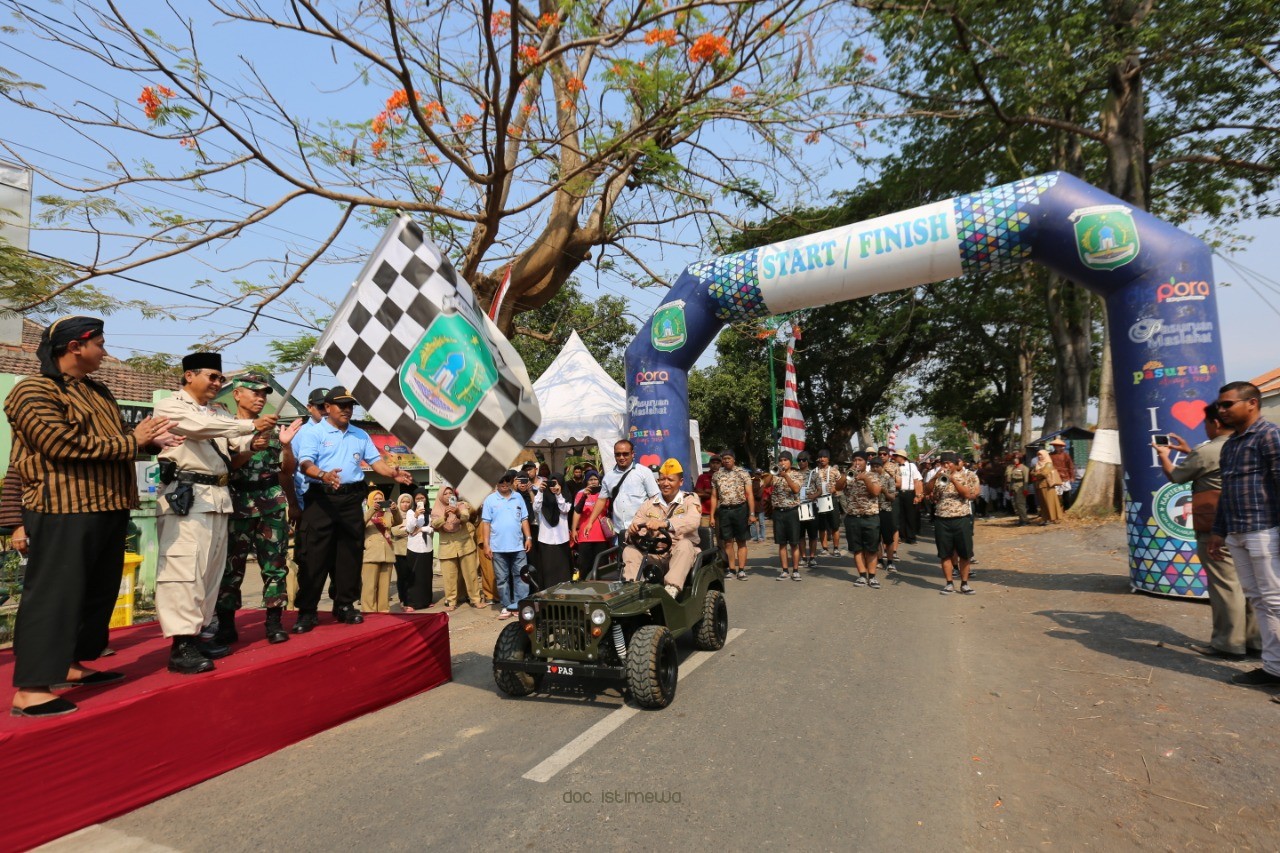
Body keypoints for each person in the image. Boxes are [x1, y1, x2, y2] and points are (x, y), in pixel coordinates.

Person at [4, 316, 176, 717]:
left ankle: (69, 664)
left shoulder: (96, 390)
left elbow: (114, 444)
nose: (104, 351)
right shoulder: (33, 390)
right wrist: (134, 440)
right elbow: (59, 443)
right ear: (74, 346)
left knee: (96, 592)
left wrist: (151, 443)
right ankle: (31, 689)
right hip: (62, 506)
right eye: (99, 343)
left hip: (109, 504)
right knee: (55, 595)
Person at [294, 387, 413, 632]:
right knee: (314, 556)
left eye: (350, 406)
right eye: (342, 405)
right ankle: (307, 611)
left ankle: (345, 605)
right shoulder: (314, 432)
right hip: (321, 498)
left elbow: (376, 462)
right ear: (327, 407)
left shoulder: (360, 434)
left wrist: (392, 473)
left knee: (349, 554)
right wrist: (324, 475)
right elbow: (305, 463)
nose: (347, 410)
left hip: (350, 499)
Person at [1156, 407, 1259, 659]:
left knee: (1225, 586)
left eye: (1206, 423)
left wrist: (1164, 455)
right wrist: (1190, 452)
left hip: (1216, 527)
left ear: (1216, 422)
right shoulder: (1248, 446)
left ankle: (1229, 644)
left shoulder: (1207, 451)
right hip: (1252, 524)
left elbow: (1176, 476)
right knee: (1253, 585)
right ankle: (1257, 641)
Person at [217, 372, 302, 647]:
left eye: (264, 393)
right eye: (255, 392)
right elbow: (226, 467)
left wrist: (287, 447)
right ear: (237, 394)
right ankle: (226, 624)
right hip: (236, 504)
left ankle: (274, 622)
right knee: (231, 568)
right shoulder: (225, 427)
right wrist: (251, 448)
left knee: (275, 565)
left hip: (270, 503)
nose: (261, 398)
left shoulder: (275, 430)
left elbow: (287, 471)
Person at [1206, 381, 1280, 688]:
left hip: (1265, 531)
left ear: (1252, 403)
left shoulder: (1269, 435)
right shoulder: (1231, 444)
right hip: (1237, 533)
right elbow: (1227, 492)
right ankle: (1273, 668)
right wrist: (1218, 532)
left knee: (1275, 601)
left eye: (1228, 404)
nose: (1221, 410)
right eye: (1220, 406)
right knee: (1258, 600)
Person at [621, 459, 702, 597]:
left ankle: (671, 589)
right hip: (655, 553)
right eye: (662, 479)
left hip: (680, 554)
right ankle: (634, 590)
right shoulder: (649, 503)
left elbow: (693, 521)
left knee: (685, 544)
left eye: (670, 479)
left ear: (680, 482)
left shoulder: (690, 499)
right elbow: (636, 524)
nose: (665, 483)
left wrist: (666, 524)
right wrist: (633, 532)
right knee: (630, 550)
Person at [286, 388, 329, 609]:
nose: (326, 410)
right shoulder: (301, 434)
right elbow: (288, 471)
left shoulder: (343, 431)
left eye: (329, 405)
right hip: (308, 503)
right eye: (321, 406)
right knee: (308, 559)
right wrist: (293, 504)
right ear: (309, 407)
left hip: (335, 503)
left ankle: (341, 605)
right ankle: (306, 608)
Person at [481, 469, 532, 619]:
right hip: (498, 547)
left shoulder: (518, 497)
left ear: (511, 482)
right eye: (501, 481)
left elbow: (524, 519)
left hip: (518, 546)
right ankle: (506, 606)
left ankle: (519, 605)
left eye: (507, 481)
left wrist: (528, 538)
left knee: (521, 577)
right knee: (502, 579)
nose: (504, 484)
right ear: (496, 483)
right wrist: (486, 545)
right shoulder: (490, 500)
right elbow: (486, 524)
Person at [930, 451, 980, 595]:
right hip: (942, 518)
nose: (945, 466)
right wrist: (935, 478)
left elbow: (968, 495)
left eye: (948, 463)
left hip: (961, 518)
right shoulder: (941, 478)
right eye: (943, 463)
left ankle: (964, 584)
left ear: (955, 463)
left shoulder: (967, 476)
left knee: (964, 553)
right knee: (945, 554)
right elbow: (931, 494)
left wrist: (953, 480)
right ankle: (949, 583)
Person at [432, 485, 481, 610]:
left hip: (465, 545)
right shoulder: (436, 510)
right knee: (449, 577)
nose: (448, 496)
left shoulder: (460, 505)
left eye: (450, 493)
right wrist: (444, 516)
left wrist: (457, 513)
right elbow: (434, 524)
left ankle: (476, 599)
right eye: (445, 494)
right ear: (440, 496)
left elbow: (466, 517)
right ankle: (451, 602)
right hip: (447, 547)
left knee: (471, 574)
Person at [710, 448, 756, 580]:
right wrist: (712, 516)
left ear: (734, 459)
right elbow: (714, 496)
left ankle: (741, 570)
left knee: (741, 541)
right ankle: (731, 569)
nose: (726, 461)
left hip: (740, 509)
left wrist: (752, 513)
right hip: (724, 511)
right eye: (724, 459)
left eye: (728, 458)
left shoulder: (743, 473)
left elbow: (749, 494)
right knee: (728, 542)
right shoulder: (717, 475)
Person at [600, 439, 660, 539]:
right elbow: (601, 500)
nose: (621, 457)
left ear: (632, 454)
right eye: (618, 454)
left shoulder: (644, 472)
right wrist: (590, 522)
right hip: (619, 531)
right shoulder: (608, 476)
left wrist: (654, 521)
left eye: (625, 454)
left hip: (641, 530)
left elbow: (655, 499)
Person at [840, 452, 883, 588]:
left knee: (872, 549)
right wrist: (847, 473)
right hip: (853, 517)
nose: (857, 463)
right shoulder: (849, 475)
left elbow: (875, 492)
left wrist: (865, 479)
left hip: (870, 517)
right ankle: (862, 575)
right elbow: (837, 487)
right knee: (857, 549)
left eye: (860, 460)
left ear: (866, 462)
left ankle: (872, 576)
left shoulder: (873, 476)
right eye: (854, 460)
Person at [360, 490, 400, 613]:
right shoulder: (365, 514)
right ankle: (368, 611)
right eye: (375, 499)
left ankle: (383, 611)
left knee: (384, 587)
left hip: (387, 553)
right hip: (371, 554)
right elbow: (359, 524)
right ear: (370, 500)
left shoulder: (387, 514)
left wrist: (395, 510)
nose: (378, 501)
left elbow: (398, 521)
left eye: (380, 498)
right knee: (369, 586)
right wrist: (372, 510)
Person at [572, 470, 613, 580]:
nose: (593, 482)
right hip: (585, 536)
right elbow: (577, 511)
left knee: (602, 567)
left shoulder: (604, 494)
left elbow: (610, 510)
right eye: (590, 480)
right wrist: (574, 529)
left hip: (602, 536)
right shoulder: (580, 493)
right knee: (584, 566)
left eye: (595, 479)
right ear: (586, 481)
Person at [534, 475, 573, 587]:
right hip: (546, 539)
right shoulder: (542, 496)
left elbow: (565, 509)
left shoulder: (565, 495)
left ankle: (564, 591)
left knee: (563, 570)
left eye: (556, 483)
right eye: (551, 483)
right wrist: (540, 492)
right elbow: (536, 508)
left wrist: (558, 494)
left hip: (562, 539)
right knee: (548, 570)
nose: (553, 486)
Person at [770, 452, 804, 581]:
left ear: (790, 462)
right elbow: (765, 484)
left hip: (792, 511)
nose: (782, 462)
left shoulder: (797, 475)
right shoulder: (775, 475)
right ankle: (784, 571)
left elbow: (796, 489)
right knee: (782, 543)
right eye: (780, 460)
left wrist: (785, 476)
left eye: (785, 460)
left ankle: (795, 571)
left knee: (794, 543)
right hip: (778, 512)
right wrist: (772, 473)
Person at [811, 449, 846, 557]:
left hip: (832, 499)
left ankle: (836, 548)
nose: (822, 459)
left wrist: (835, 489)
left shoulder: (834, 471)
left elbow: (842, 484)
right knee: (822, 527)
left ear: (828, 459)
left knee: (835, 526)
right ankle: (824, 548)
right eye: (820, 457)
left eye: (824, 457)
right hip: (819, 500)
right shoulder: (814, 471)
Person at [871, 455, 899, 572]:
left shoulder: (889, 478)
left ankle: (890, 562)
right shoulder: (869, 478)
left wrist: (884, 491)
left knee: (888, 539)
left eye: (877, 466)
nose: (874, 469)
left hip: (885, 510)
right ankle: (880, 560)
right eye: (872, 466)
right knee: (876, 538)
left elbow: (892, 497)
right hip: (872, 511)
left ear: (882, 466)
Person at [893, 450, 923, 544]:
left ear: (902, 457)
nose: (895, 457)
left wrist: (918, 495)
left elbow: (917, 481)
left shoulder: (911, 466)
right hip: (898, 493)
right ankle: (902, 536)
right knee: (900, 516)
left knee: (910, 516)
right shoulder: (895, 466)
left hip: (909, 493)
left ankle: (911, 537)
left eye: (897, 456)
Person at [796, 451, 820, 567]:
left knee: (813, 534)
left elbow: (820, 490)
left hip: (811, 506)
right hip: (798, 506)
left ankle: (812, 557)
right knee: (800, 534)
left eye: (803, 460)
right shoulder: (794, 474)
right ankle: (803, 557)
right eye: (799, 460)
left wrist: (813, 496)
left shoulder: (814, 474)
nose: (801, 462)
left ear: (808, 461)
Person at [393, 493, 416, 606]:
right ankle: (403, 599)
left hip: (413, 550)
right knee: (402, 576)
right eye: (403, 502)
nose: (405, 504)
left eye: (408, 502)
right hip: (399, 551)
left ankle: (412, 599)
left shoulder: (414, 514)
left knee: (412, 576)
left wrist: (405, 528)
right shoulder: (394, 515)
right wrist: (409, 529)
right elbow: (395, 531)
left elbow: (418, 528)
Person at [1031, 449, 1064, 525]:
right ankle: (1045, 518)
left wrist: (1036, 473)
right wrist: (1037, 473)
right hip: (1039, 486)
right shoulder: (1037, 464)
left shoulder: (1048, 464)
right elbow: (1032, 472)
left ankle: (1053, 518)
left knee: (1050, 502)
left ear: (1045, 455)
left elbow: (1044, 473)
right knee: (1042, 503)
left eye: (1041, 455)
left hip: (1047, 486)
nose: (1039, 456)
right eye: (1038, 455)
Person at [1005, 453, 1031, 525]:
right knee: (1016, 504)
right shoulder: (1012, 467)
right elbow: (1010, 479)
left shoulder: (1024, 468)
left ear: (1020, 459)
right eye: (1014, 458)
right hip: (1014, 486)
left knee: (1021, 504)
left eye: (1017, 458)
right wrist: (1010, 488)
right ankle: (1021, 519)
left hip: (1021, 486)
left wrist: (1025, 489)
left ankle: (1025, 519)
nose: (1015, 460)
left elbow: (1026, 479)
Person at [1050, 439, 1076, 509]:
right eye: (1055, 446)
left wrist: (1072, 477)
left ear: (1061, 446)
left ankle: (1066, 508)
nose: (1056, 447)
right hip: (1055, 477)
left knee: (1066, 493)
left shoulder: (1066, 455)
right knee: (1056, 494)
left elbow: (1070, 466)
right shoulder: (1050, 455)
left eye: (1057, 446)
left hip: (1065, 476)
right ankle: (1057, 509)